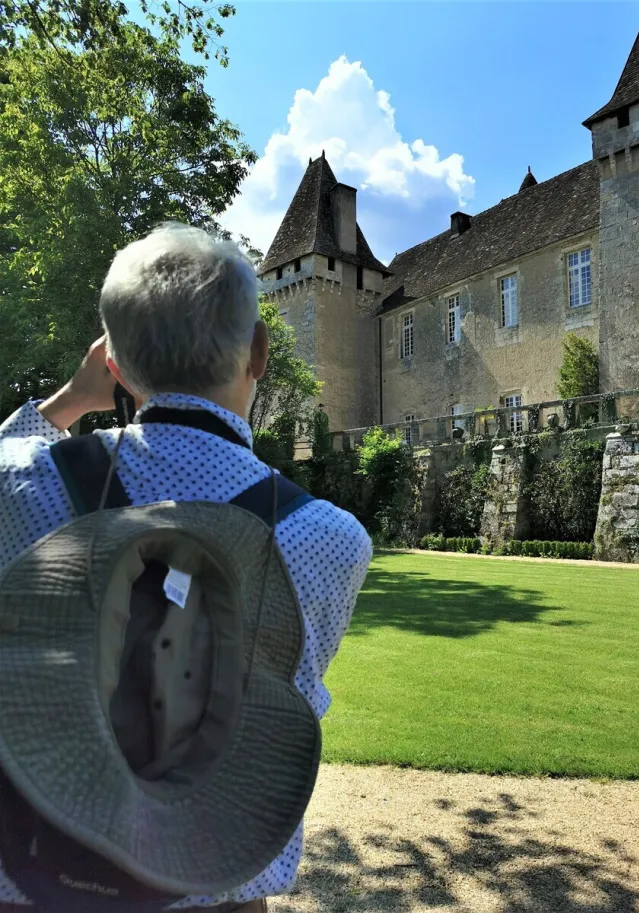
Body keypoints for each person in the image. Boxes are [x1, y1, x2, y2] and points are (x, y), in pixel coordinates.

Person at [0, 223, 372, 912]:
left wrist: (70, 401)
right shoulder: (331, 538)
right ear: (259, 351)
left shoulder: (21, 484)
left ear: (112, 362)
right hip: (211, 889)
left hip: (32, 879)